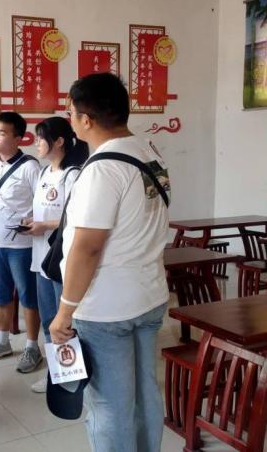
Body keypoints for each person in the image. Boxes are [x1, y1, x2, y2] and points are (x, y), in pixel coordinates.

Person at [49, 73, 171, 452]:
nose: (70, 120)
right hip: (149, 295)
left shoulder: (101, 169)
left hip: (106, 308)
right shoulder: (149, 151)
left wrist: (64, 312)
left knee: (110, 404)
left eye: (71, 113)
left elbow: (87, 247)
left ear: (86, 119)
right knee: (145, 393)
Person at [21, 117, 88, 393]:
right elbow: (45, 211)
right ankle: (57, 372)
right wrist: (31, 221)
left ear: (59, 141)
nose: (36, 143)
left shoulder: (72, 175)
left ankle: (70, 376)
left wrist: (45, 225)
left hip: (61, 261)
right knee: (49, 319)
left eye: (41, 138)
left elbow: (75, 218)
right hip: (41, 260)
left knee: (65, 322)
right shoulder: (44, 173)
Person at [0, 111, 43, 374]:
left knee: (29, 297)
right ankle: (2, 342)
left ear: (19, 138)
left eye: (2, 133)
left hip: (22, 246)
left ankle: (32, 347)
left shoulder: (30, 167)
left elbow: (42, 205)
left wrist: (26, 222)